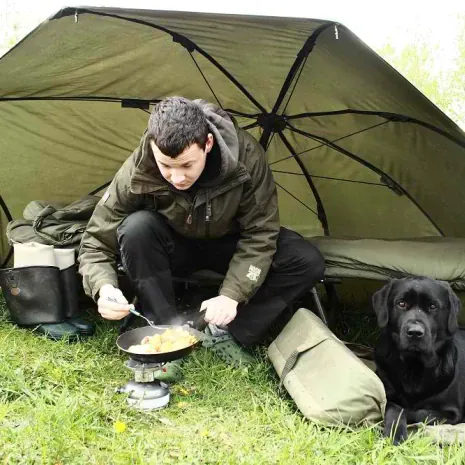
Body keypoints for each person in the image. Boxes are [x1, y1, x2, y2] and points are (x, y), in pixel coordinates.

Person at [78, 97, 325, 366]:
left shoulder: (247, 156)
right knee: (136, 228)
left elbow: (261, 232)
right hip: (174, 244)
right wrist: (103, 287)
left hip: (230, 244)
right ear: (152, 147)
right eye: (166, 166)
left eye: (187, 165)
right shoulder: (140, 164)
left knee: (305, 260)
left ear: (207, 143)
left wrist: (232, 295)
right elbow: (96, 239)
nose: (177, 178)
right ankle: (164, 329)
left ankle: (226, 332)